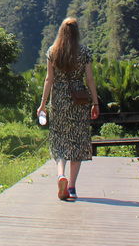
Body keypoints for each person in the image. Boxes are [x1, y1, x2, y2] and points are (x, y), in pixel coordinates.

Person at [37, 17, 100, 201]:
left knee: (59, 140)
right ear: (77, 32)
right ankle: (71, 187)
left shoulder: (53, 51)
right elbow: (90, 79)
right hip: (79, 101)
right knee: (77, 142)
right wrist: (95, 103)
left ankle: (60, 175)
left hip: (59, 101)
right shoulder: (84, 52)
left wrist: (43, 104)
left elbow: (49, 79)